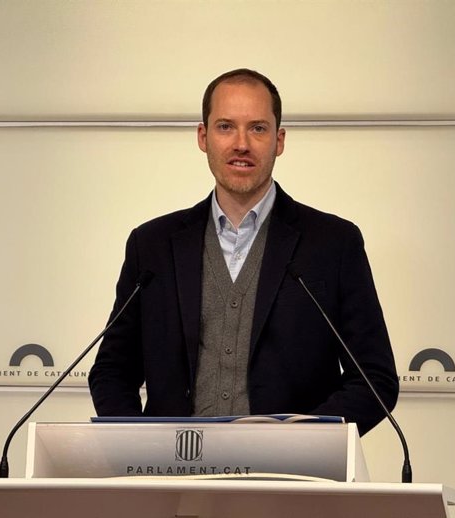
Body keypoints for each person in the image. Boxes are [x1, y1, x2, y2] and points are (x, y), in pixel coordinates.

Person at [89, 68, 398, 435]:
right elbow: (112, 372)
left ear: (279, 140)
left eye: (257, 128)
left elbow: (375, 379)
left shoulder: (333, 244)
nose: (241, 144)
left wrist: (307, 443)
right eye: (225, 127)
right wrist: (138, 448)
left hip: (295, 482)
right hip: (175, 484)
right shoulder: (152, 246)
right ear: (203, 137)